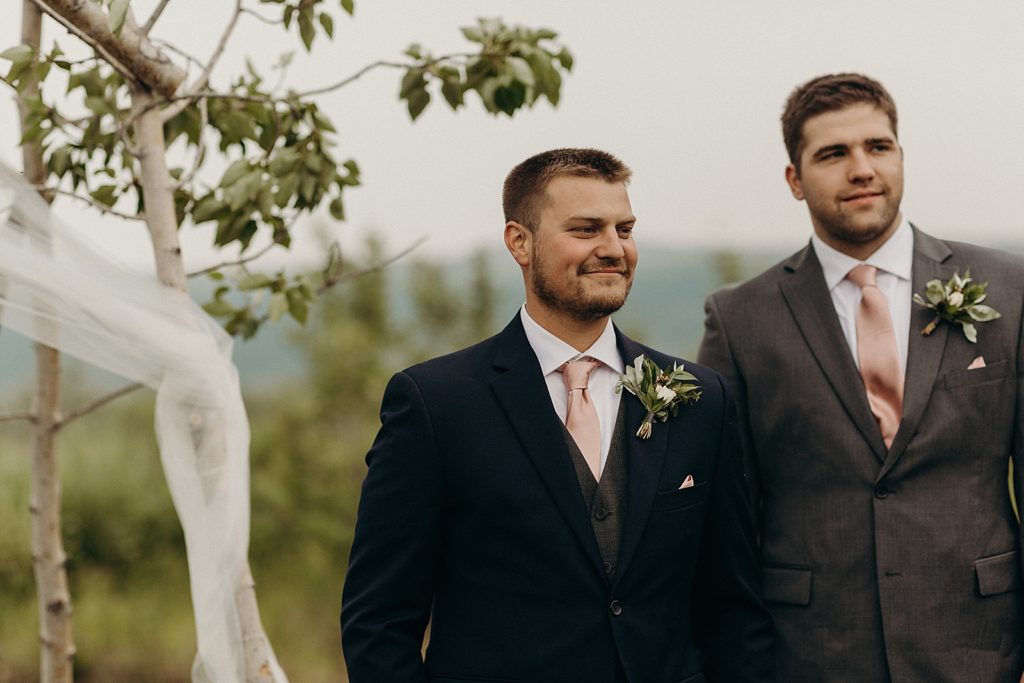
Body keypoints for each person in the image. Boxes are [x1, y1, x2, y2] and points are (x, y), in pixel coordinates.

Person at [341, 148, 774, 682]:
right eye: (587, 229)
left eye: (625, 229)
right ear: (519, 242)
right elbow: (379, 622)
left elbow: (733, 607)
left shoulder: (701, 398)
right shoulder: (435, 404)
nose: (613, 248)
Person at [698, 73, 1024, 682]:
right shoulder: (739, 318)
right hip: (811, 655)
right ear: (794, 180)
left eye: (878, 147)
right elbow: (728, 519)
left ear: (900, 156)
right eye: (833, 154)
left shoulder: (1010, 288)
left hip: (984, 649)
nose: (861, 169)